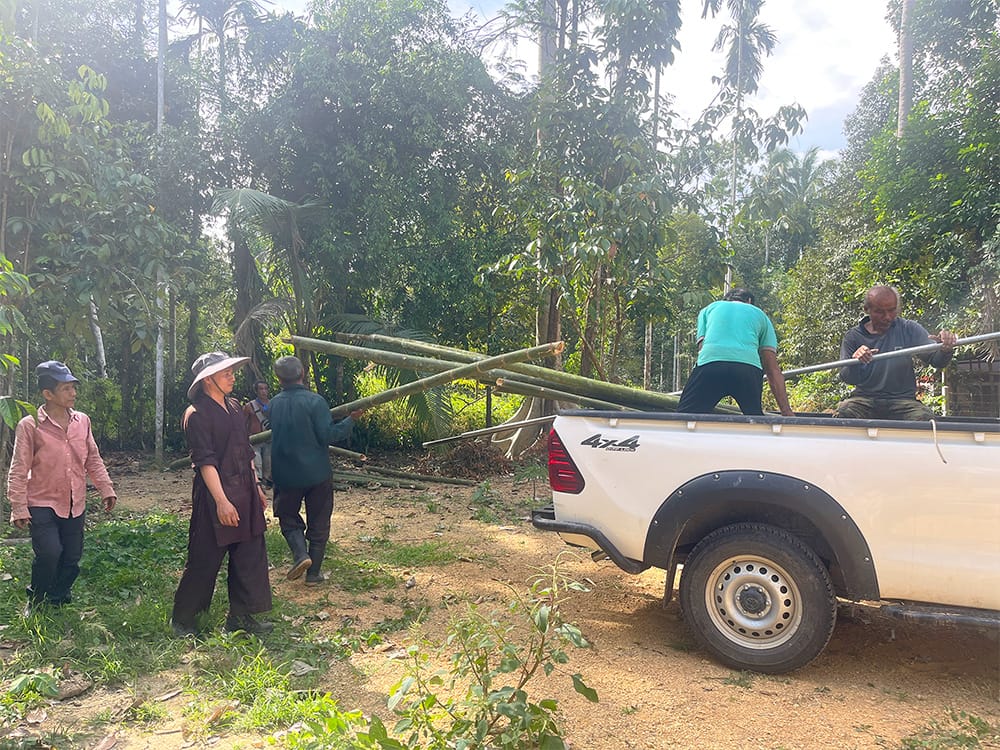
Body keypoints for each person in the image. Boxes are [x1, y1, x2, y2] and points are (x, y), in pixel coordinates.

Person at [171, 352, 273, 636]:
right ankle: (183, 619)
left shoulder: (235, 407)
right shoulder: (197, 415)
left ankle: (240, 617)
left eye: (231, 371)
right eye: (225, 373)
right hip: (216, 495)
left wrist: (255, 487)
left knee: (249, 556)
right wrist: (221, 501)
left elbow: (245, 450)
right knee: (205, 558)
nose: (232, 376)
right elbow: (205, 461)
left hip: (245, 491)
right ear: (207, 380)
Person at [7, 361, 117, 618]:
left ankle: (57, 598)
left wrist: (106, 488)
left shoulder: (82, 422)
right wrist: (18, 506)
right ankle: (36, 600)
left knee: (71, 557)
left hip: (74, 501)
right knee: (49, 553)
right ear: (48, 394)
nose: (73, 394)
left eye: (73, 388)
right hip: (42, 501)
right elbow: (19, 467)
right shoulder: (29, 425)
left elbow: (93, 459)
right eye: (66, 389)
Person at [269, 355, 363, 584]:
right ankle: (313, 573)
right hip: (317, 473)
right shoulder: (315, 401)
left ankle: (300, 554)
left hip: (285, 473)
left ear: (279, 379)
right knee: (319, 520)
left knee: (288, 517)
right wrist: (351, 420)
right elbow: (329, 435)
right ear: (303, 373)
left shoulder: (272, 404)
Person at [834, 285, 957, 420]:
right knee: (845, 411)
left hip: (903, 402)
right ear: (867, 310)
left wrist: (945, 349)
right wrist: (855, 361)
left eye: (892, 310)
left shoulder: (908, 329)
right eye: (880, 312)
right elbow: (847, 377)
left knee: (924, 419)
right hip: (864, 400)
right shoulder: (853, 337)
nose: (887, 317)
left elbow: (937, 360)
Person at [676, 288, 794, 417]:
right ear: (749, 301)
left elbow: (703, 351)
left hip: (711, 365)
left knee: (684, 418)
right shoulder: (760, 315)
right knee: (754, 419)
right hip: (747, 369)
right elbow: (772, 369)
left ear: (726, 299)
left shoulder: (709, 309)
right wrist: (786, 411)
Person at [243, 380, 272, 487]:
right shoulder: (249, 406)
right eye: (261, 389)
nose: (264, 391)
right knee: (257, 463)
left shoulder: (272, 404)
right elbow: (243, 423)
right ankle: (258, 485)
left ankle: (266, 482)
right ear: (256, 391)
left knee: (268, 463)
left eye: (265, 388)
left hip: (268, 440)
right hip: (254, 440)